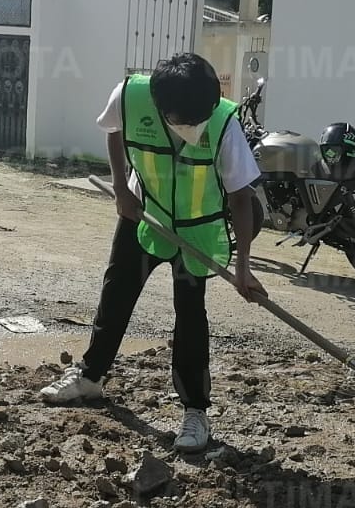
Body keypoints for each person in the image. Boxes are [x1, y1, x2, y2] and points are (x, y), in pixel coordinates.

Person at [40, 53, 266, 452]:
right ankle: (90, 378)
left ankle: (195, 412)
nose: (196, 126)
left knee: (191, 315)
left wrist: (244, 268)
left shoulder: (224, 122)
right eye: (187, 120)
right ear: (163, 108)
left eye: (202, 116)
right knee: (116, 293)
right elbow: (114, 130)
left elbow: (241, 198)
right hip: (145, 214)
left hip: (196, 232)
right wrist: (122, 190)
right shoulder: (130, 97)